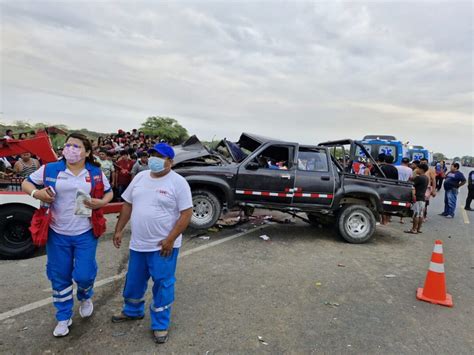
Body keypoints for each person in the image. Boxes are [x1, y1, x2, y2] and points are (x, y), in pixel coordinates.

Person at [21, 133, 113, 337]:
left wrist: (102, 202)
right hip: (57, 233)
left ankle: (85, 294)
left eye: (76, 146)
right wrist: (37, 193)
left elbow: (109, 192)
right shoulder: (51, 168)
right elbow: (26, 183)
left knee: (84, 274)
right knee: (59, 276)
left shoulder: (95, 172)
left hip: (85, 232)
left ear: (87, 152)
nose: (70, 149)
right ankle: (63, 317)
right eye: (68, 145)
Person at [111, 143, 193, 344]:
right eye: (152, 154)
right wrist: (119, 229)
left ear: (170, 161)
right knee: (134, 281)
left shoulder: (178, 182)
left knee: (163, 284)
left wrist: (170, 239)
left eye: (160, 156)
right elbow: (128, 204)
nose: (154, 158)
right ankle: (132, 311)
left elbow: (186, 214)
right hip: (138, 244)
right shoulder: (139, 177)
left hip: (163, 246)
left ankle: (160, 324)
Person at [405, 163, 429, 234]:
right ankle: (418, 229)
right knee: (420, 214)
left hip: (417, 197)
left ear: (421, 169)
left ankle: (414, 229)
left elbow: (410, 183)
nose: (416, 170)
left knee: (416, 214)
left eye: (417, 168)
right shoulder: (426, 178)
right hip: (422, 198)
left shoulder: (419, 178)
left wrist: (414, 174)